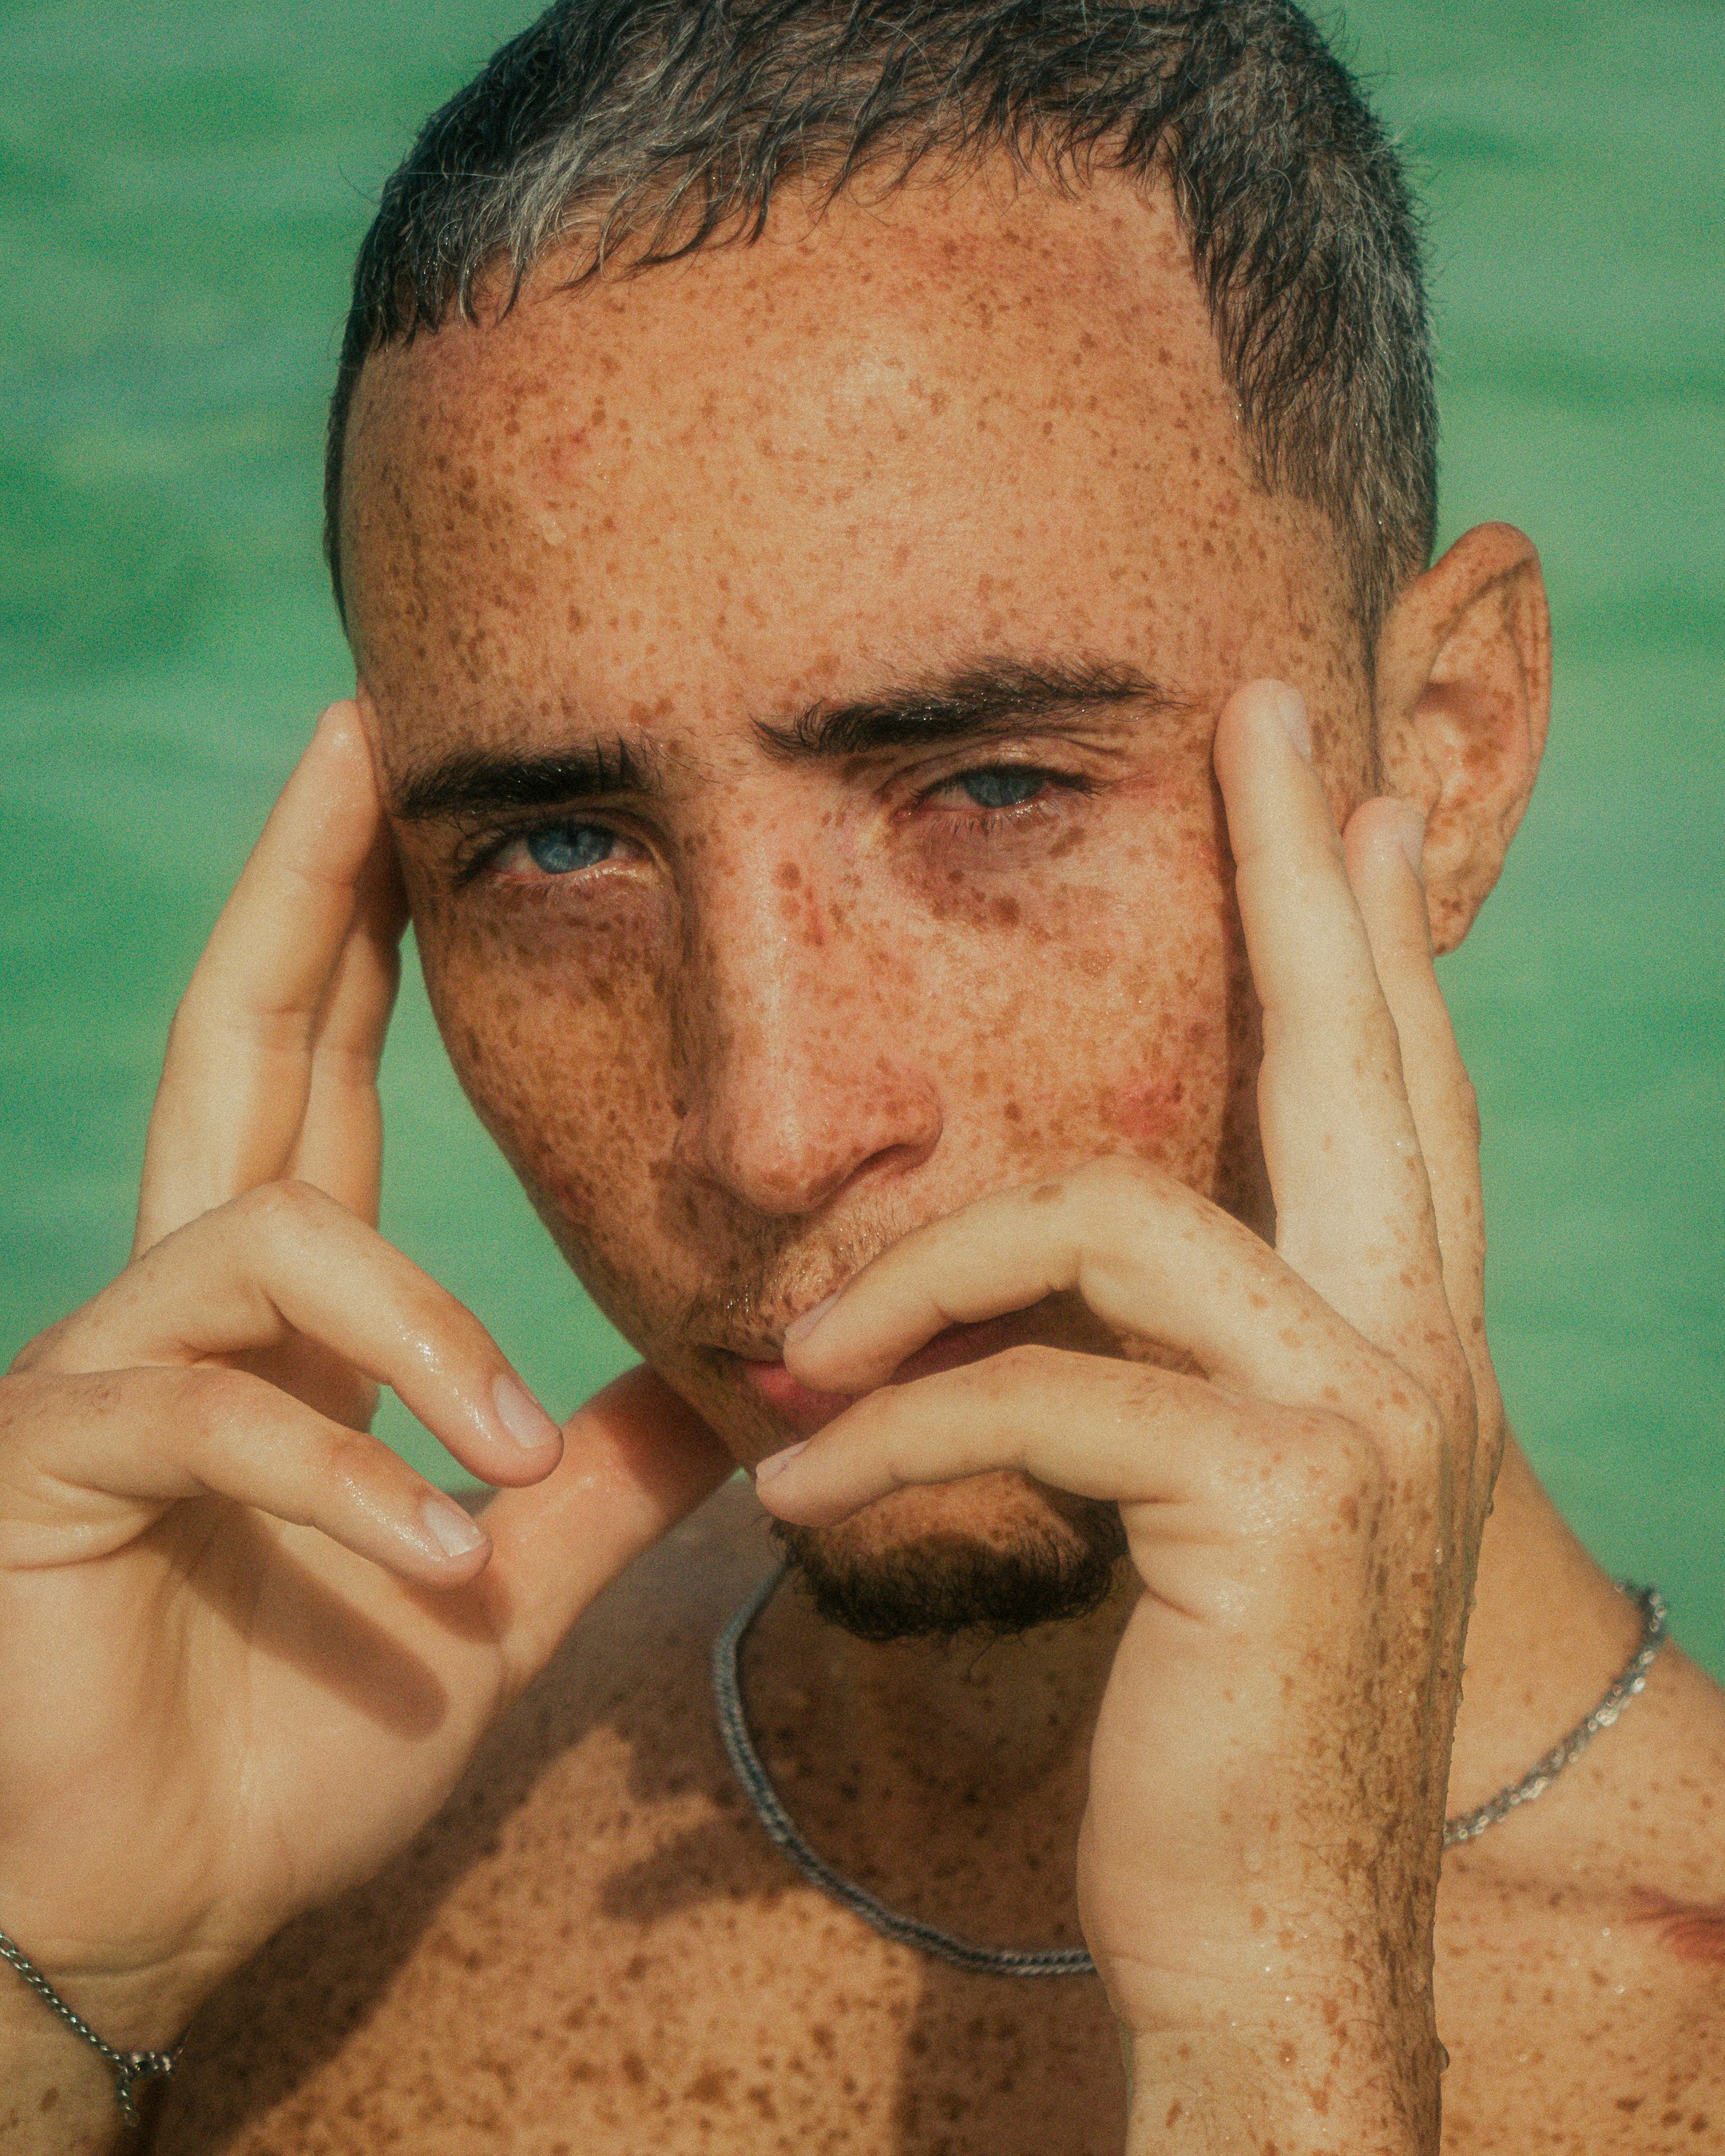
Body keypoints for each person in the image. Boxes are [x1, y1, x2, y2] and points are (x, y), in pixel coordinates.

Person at [2, 1, 1721, 2148]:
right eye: (559, 845)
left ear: (1450, 753)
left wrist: (1283, 2047)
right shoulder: (278, 1811)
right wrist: (63, 1962)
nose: (773, 1123)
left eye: (994, 784)